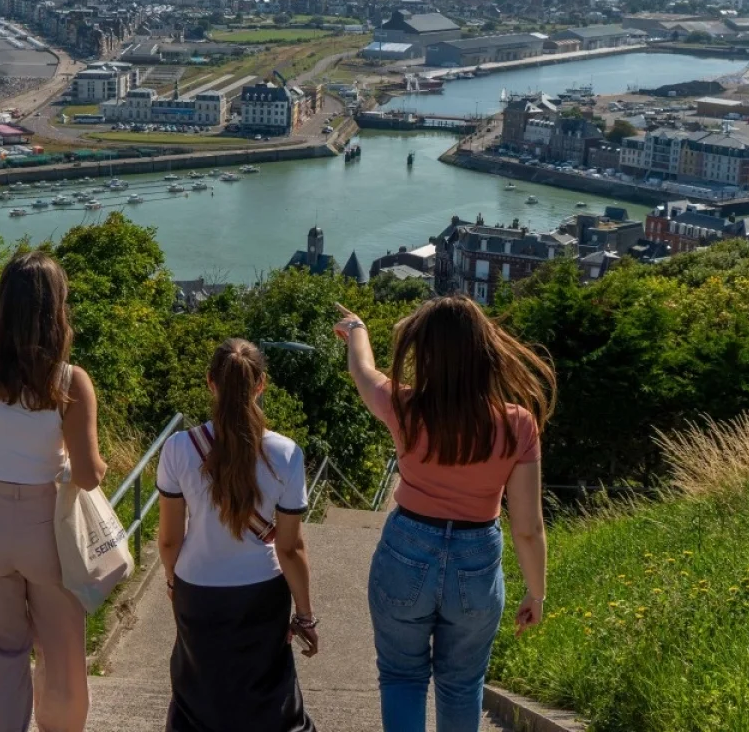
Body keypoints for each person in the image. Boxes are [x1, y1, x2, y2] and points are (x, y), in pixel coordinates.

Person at [334, 297, 552, 732]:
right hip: (476, 561)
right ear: (485, 351)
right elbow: (528, 528)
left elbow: (364, 372)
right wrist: (536, 592)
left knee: (402, 678)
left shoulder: (405, 408)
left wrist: (357, 330)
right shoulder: (517, 424)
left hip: (406, 548)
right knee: (461, 685)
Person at [0, 251, 106, 732]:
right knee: (62, 650)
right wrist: (91, 463)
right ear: (56, 312)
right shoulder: (70, 381)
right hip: (47, 528)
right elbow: (89, 475)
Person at [156, 338, 319, 732]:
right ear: (261, 384)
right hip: (261, 591)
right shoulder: (286, 453)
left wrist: (172, 581)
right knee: (268, 698)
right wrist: (305, 615)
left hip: (197, 585)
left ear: (210, 382)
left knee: (200, 692)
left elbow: (168, 539)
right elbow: (290, 547)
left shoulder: (178, 448)